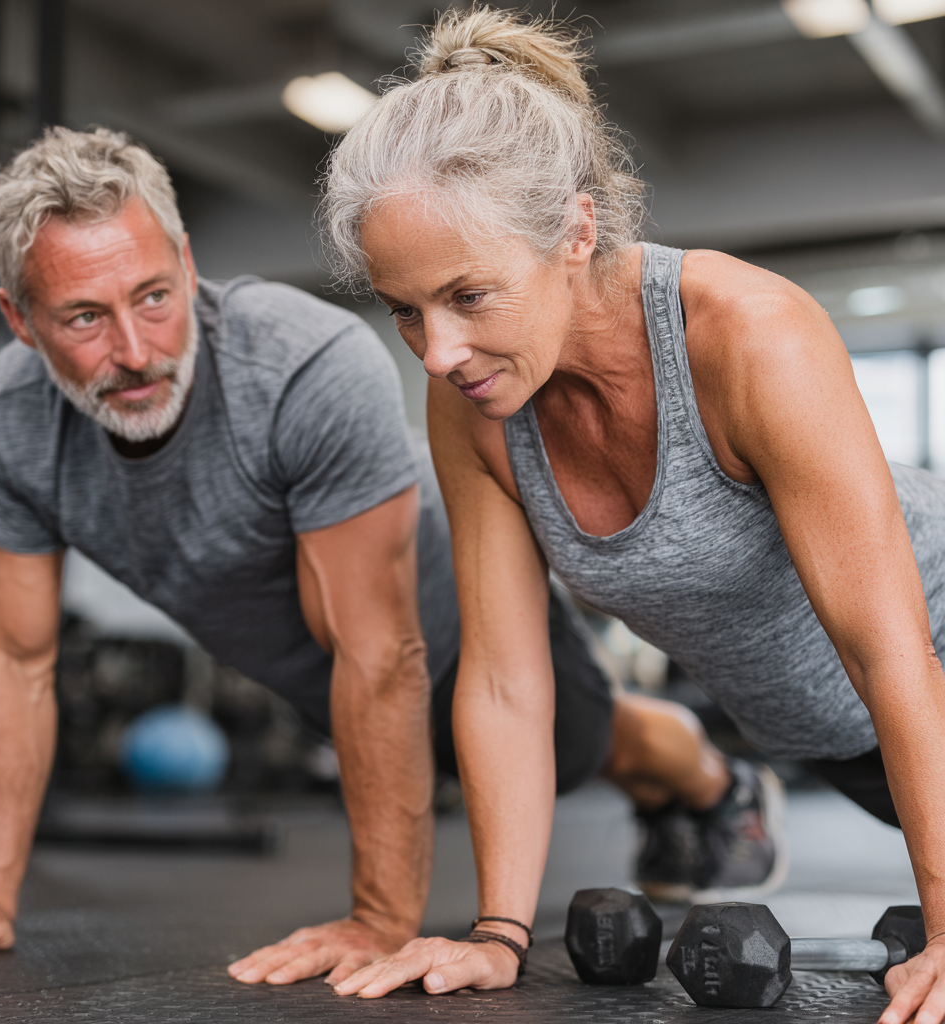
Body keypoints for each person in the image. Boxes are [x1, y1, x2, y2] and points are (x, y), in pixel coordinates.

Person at [0, 127, 767, 983]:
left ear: (185, 260)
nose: (136, 352)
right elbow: (12, 656)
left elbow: (381, 654)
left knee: (597, 748)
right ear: (19, 321)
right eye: (84, 318)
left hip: (449, 629)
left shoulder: (300, 366)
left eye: (152, 297)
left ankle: (712, 787)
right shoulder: (11, 418)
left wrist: (379, 919)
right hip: (325, 685)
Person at [317, 7, 945, 1024]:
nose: (434, 351)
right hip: (842, 741)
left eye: (469, 294)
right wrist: (498, 937)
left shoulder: (746, 337)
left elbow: (889, 648)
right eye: (404, 308)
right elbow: (509, 680)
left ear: (575, 230)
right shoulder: (475, 402)